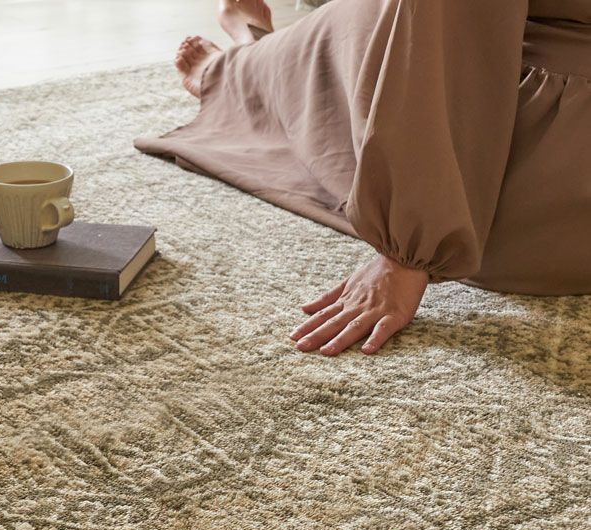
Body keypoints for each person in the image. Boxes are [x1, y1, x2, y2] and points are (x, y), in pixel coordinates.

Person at [134, 0, 591, 356]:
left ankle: (238, 67)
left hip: (532, 188)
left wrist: (407, 254)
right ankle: (254, 58)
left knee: (369, 20)